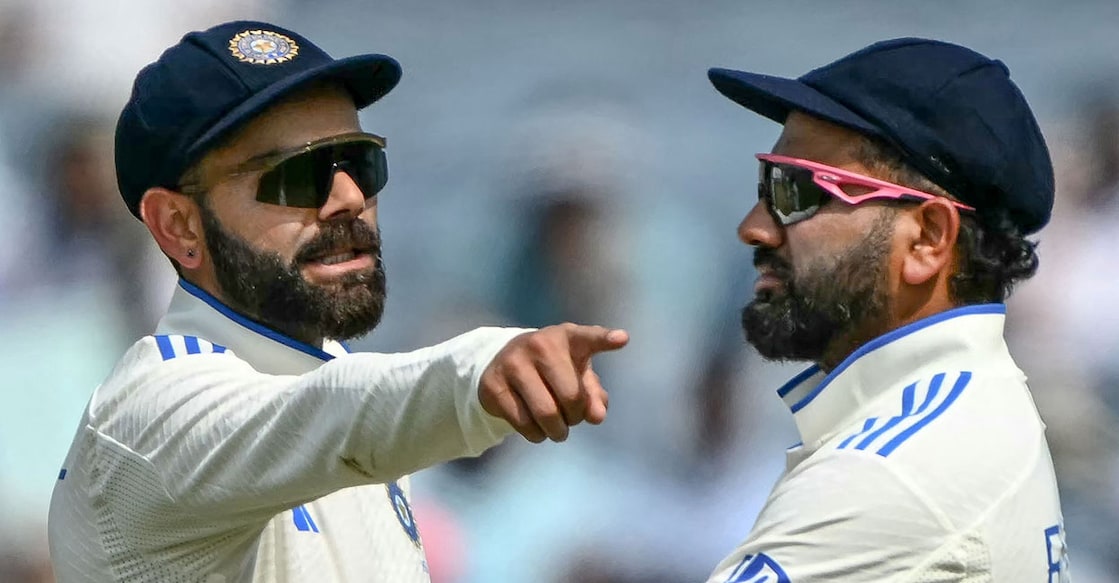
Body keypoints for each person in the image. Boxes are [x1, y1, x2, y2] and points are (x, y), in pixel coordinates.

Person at [47, 20, 628, 582]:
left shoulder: (337, 377)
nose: (349, 197)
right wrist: (482, 368)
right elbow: (329, 412)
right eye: (298, 175)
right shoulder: (150, 414)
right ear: (178, 225)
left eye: (359, 162)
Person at [703, 38, 1069, 581]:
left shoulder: (885, 475)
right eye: (766, 182)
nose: (753, 227)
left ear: (927, 237)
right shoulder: (980, 403)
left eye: (796, 190)